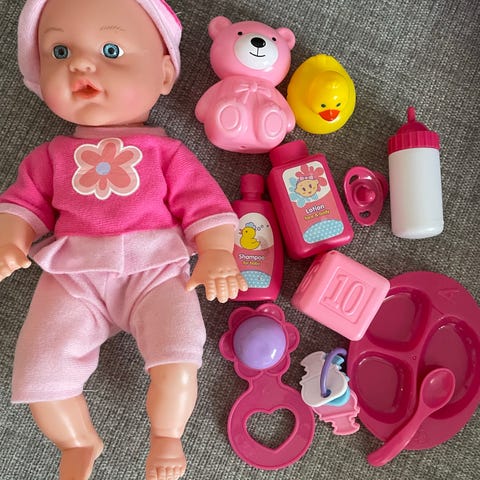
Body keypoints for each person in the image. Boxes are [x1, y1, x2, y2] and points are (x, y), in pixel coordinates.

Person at [0, 0, 248, 479]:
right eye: (59, 51)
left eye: (111, 50)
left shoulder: (166, 153)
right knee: (39, 369)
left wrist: (217, 250)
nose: (80, 64)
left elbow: (204, 205)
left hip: (157, 270)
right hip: (74, 278)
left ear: (163, 75)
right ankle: (77, 442)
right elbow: (22, 203)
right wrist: (10, 239)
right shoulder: (51, 157)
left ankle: (167, 437)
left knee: (178, 354)